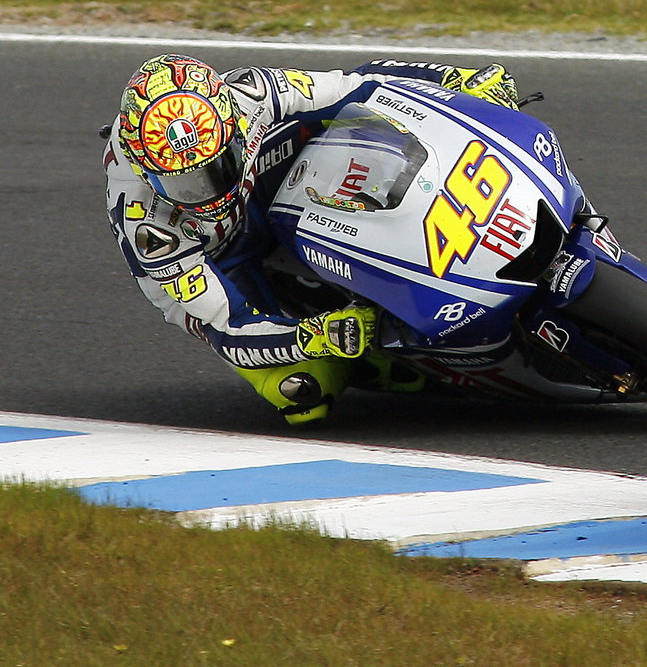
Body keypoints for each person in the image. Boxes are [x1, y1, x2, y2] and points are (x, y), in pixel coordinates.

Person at [103, 54, 522, 426]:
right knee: (302, 395)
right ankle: (385, 360)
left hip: (275, 181)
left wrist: (455, 80)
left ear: (233, 128)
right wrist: (314, 337)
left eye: (216, 170)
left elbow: (360, 83)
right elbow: (228, 329)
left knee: (355, 116)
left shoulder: (250, 94)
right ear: (146, 173)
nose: (206, 192)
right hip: (221, 256)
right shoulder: (149, 229)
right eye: (185, 185)